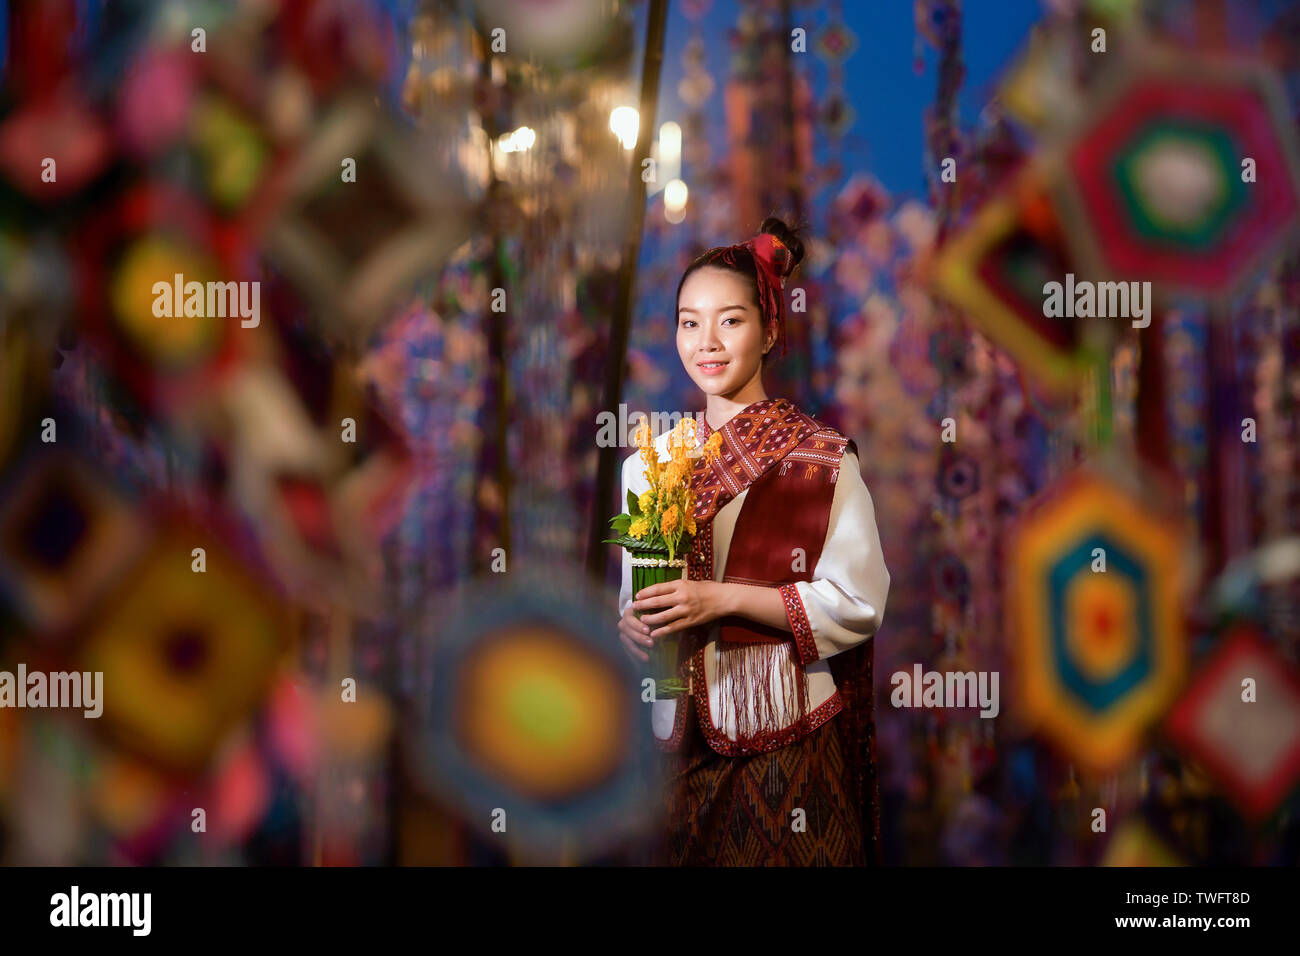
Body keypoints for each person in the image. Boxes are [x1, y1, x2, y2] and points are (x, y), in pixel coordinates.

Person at [617, 216, 891, 866]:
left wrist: (721, 601)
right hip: (678, 752)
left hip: (787, 749)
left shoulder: (820, 460)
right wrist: (629, 627)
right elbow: (636, 602)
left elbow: (858, 602)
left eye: (729, 321)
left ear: (770, 331)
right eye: (689, 322)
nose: (705, 342)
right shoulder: (650, 464)